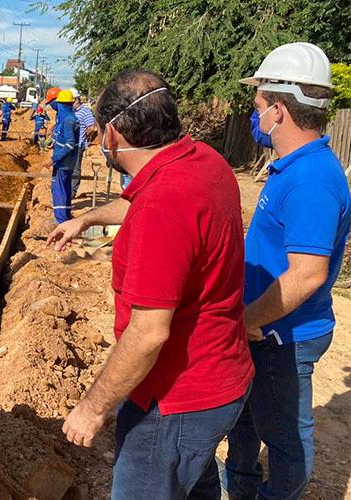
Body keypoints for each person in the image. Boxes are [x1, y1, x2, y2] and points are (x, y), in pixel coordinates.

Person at [46, 69, 254, 499]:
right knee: (193, 484)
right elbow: (138, 202)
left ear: (114, 136)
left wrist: (91, 409)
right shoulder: (201, 161)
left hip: (174, 402)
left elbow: (147, 334)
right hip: (219, 383)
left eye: (101, 131)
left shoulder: (163, 206)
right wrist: (85, 218)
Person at [223, 42, 350, 500]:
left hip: (281, 336)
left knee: (284, 440)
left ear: (279, 110)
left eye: (258, 107)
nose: (255, 118)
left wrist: (247, 320)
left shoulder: (312, 179)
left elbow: (308, 274)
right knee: (243, 427)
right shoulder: (292, 167)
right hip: (263, 327)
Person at [48, 89, 80, 223]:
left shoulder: (68, 120)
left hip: (63, 162)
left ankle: (60, 220)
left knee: (59, 189)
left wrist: (53, 159)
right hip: (68, 161)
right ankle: (65, 216)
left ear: (61, 104)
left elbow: (70, 143)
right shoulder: (71, 118)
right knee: (65, 188)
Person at [69, 88, 96, 200]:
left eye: (71, 102)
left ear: (76, 100)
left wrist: (84, 137)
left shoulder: (85, 111)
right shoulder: (73, 111)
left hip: (78, 145)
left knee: (75, 168)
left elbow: (91, 127)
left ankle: (72, 192)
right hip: (70, 145)